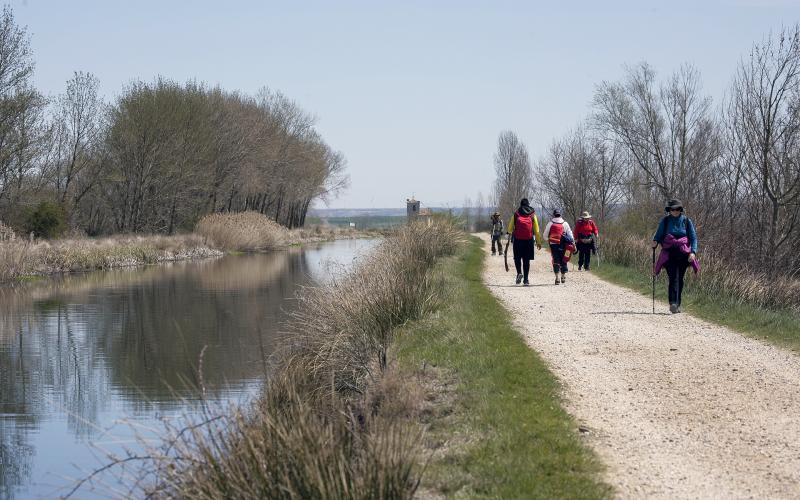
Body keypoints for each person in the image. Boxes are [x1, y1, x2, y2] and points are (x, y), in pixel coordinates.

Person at [651, 199, 699, 314]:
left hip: (683, 253)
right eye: (673, 209)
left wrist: (693, 252)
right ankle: (673, 302)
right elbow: (658, 235)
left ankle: (677, 304)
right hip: (669, 253)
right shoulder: (665, 221)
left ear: (680, 210)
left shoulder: (687, 221)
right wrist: (655, 242)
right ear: (669, 210)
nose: (675, 211)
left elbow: (693, 238)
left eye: (677, 209)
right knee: (673, 277)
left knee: (680, 279)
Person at [506, 198, 542, 286]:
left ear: (520, 204)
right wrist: (538, 242)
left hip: (518, 240)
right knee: (526, 260)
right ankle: (526, 280)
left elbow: (510, 229)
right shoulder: (532, 215)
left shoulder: (516, 214)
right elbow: (536, 230)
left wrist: (509, 234)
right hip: (529, 240)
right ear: (528, 205)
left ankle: (519, 273)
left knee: (517, 258)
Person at [543, 209, 574, 285]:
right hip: (563, 245)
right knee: (564, 259)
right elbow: (571, 236)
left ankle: (557, 278)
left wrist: (550, 239)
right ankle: (563, 276)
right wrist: (573, 243)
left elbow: (545, 236)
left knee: (556, 260)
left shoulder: (550, 223)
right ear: (560, 215)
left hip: (553, 245)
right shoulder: (565, 223)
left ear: (554, 215)